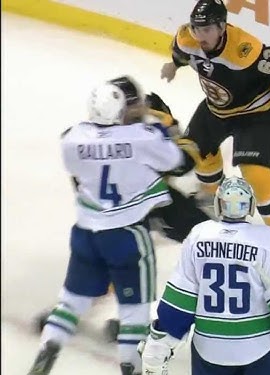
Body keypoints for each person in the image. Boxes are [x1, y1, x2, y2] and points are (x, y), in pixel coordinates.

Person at [25, 76, 186, 375]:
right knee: (134, 313)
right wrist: (167, 128)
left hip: (86, 233)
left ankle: (40, 367)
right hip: (127, 235)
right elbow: (177, 160)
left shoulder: (73, 138)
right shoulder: (143, 138)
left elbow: (81, 160)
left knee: (70, 304)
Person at [31, 92, 212, 342]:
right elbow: (181, 162)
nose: (138, 109)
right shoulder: (144, 132)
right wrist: (173, 133)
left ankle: (73, 311)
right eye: (133, 105)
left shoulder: (87, 137)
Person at [138, 176, 270, 375]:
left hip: (210, 348)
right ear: (251, 206)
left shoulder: (198, 236)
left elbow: (181, 299)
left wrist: (161, 340)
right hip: (261, 345)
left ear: (219, 205)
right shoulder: (269, 240)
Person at [161, 0, 270, 231]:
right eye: (196, 28)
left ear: (222, 27)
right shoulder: (187, 37)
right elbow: (182, 53)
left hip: (256, 114)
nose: (199, 35)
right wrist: (173, 66)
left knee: (255, 173)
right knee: (197, 151)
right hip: (216, 109)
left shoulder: (244, 50)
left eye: (206, 30)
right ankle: (214, 195)